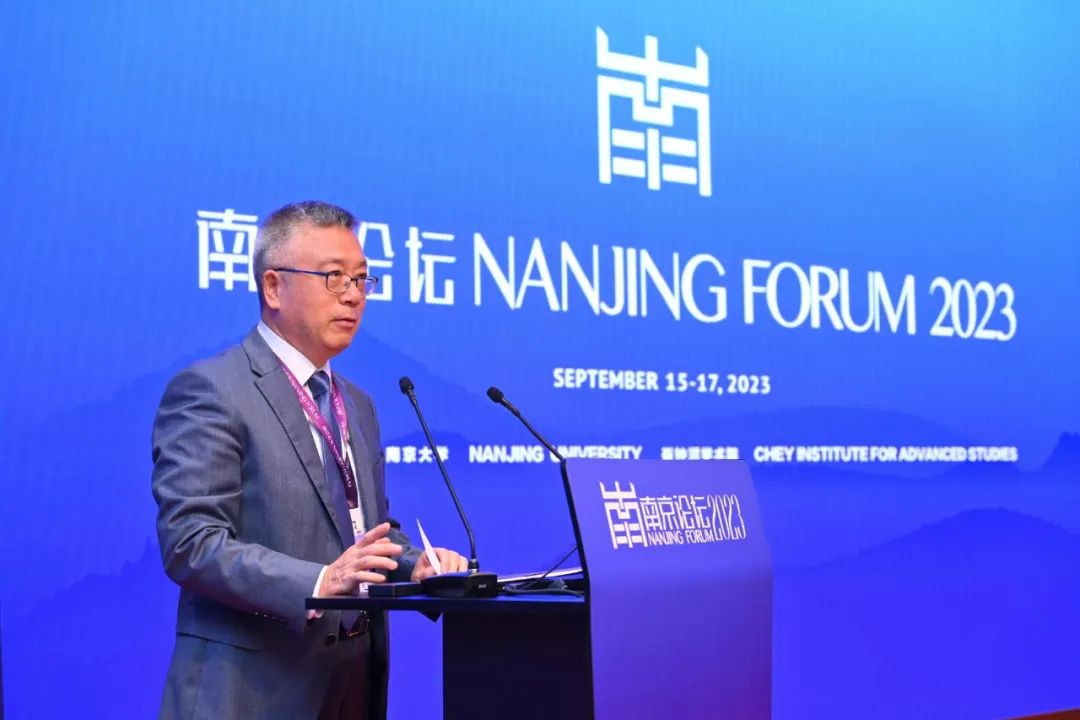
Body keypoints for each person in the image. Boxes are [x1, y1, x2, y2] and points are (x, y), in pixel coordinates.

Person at [152, 200, 466, 719]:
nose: (354, 295)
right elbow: (192, 544)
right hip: (255, 690)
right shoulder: (213, 390)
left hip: (353, 683)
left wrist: (417, 566)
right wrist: (320, 582)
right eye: (333, 277)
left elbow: (364, 532)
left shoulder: (357, 403)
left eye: (361, 279)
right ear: (274, 287)